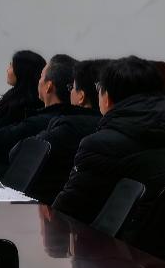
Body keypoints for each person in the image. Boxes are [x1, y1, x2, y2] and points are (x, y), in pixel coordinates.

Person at [52, 56, 165, 230]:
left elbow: (65, 212)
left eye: (99, 87)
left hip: (124, 246)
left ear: (107, 97)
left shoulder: (99, 145)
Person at [0, 54, 79, 177]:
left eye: (41, 76)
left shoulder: (37, 122)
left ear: (49, 86)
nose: (38, 81)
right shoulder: (76, 121)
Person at [24, 58, 109, 205]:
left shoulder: (67, 126)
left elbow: (22, 153)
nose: (69, 92)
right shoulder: (108, 127)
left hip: (51, 206)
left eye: (72, 87)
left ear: (81, 96)